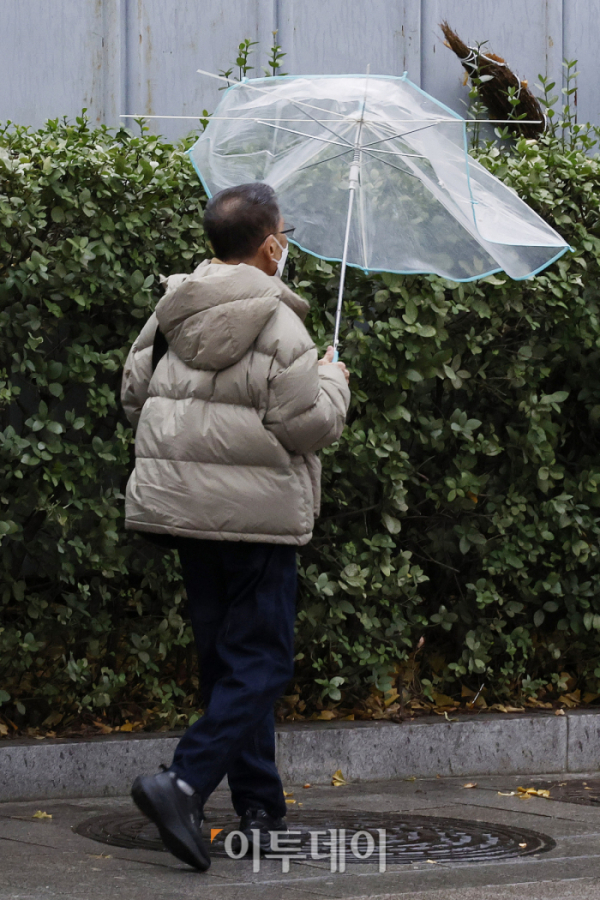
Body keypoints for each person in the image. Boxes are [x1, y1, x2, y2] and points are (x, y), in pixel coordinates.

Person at [120, 182, 351, 871]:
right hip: (256, 520)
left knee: (228, 659)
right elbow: (305, 426)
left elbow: (134, 394)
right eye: (286, 233)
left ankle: (259, 803)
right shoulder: (283, 325)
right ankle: (183, 783)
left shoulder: (170, 308)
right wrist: (334, 381)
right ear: (272, 245)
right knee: (264, 661)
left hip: (183, 512)